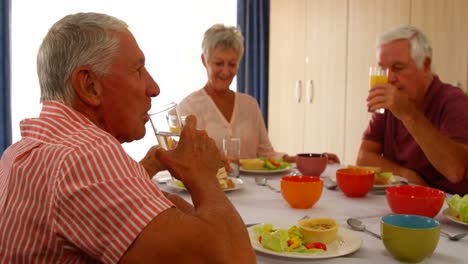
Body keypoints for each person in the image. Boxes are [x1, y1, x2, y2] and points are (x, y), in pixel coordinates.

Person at [0, 12, 256, 263]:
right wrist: (203, 174)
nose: (154, 88)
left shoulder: (27, 148)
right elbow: (232, 258)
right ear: (89, 85)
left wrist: (151, 163)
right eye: (138, 69)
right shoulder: (85, 156)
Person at [177, 24, 340, 164]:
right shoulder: (188, 108)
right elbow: (185, 160)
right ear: (204, 61)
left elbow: (266, 154)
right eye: (219, 63)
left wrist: (306, 159)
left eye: (232, 64)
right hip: (209, 193)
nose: (226, 71)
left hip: (252, 192)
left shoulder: (249, 104)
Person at [358, 25, 468, 195]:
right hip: (404, 199)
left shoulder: (453, 101)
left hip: (446, 211)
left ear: (425, 65)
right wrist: (406, 175)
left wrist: (408, 114)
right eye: (383, 68)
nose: (388, 78)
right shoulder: (390, 102)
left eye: (398, 67)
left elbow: (455, 171)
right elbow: (364, 157)